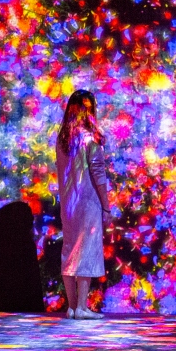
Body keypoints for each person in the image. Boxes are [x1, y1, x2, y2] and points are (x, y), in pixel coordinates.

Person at [56, 90, 112, 319]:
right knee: (86, 252)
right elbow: (98, 175)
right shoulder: (90, 139)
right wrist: (106, 207)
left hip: (68, 205)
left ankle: (71, 307)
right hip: (88, 204)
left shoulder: (63, 140)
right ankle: (82, 307)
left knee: (69, 251)